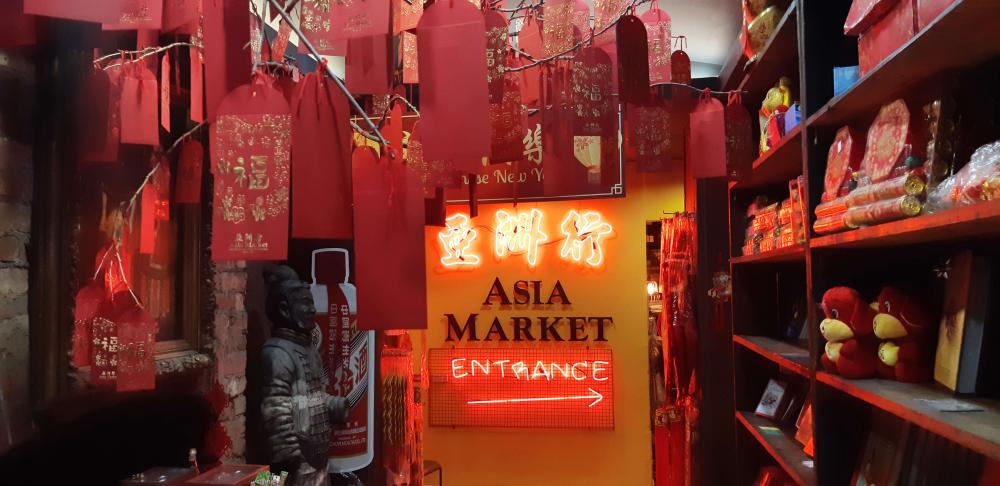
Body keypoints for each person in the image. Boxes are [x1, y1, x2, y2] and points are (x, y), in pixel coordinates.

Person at [260, 266, 349, 486]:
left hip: (316, 458)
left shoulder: (308, 350)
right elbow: (276, 412)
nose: (312, 309)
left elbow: (311, 396)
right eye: (305, 304)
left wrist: (335, 406)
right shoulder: (276, 353)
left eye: (311, 303)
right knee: (266, 484)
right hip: (293, 464)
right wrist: (288, 458)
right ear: (283, 309)